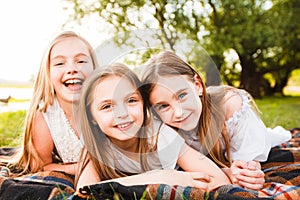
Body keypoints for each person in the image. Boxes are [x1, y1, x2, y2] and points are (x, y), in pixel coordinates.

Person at [141, 50, 292, 190]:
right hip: (212, 164)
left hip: (251, 138)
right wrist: (224, 171)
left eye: (182, 96)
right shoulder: (161, 130)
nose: (179, 112)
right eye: (163, 106)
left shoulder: (230, 107)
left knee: (272, 137)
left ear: (198, 85)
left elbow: (247, 159)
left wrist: (250, 172)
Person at [75, 63, 231, 190]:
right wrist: (158, 178)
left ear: (143, 104)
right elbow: (85, 192)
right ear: (92, 117)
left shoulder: (159, 135)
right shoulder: (95, 143)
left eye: (131, 101)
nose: (122, 114)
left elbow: (220, 180)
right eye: (107, 106)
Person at [2, 31, 98, 176]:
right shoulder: (46, 115)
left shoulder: (107, 105)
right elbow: (40, 166)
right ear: (47, 74)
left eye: (81, 61)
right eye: (60, 63)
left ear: (95, 69)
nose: (72, 69)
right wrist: (75, 169)